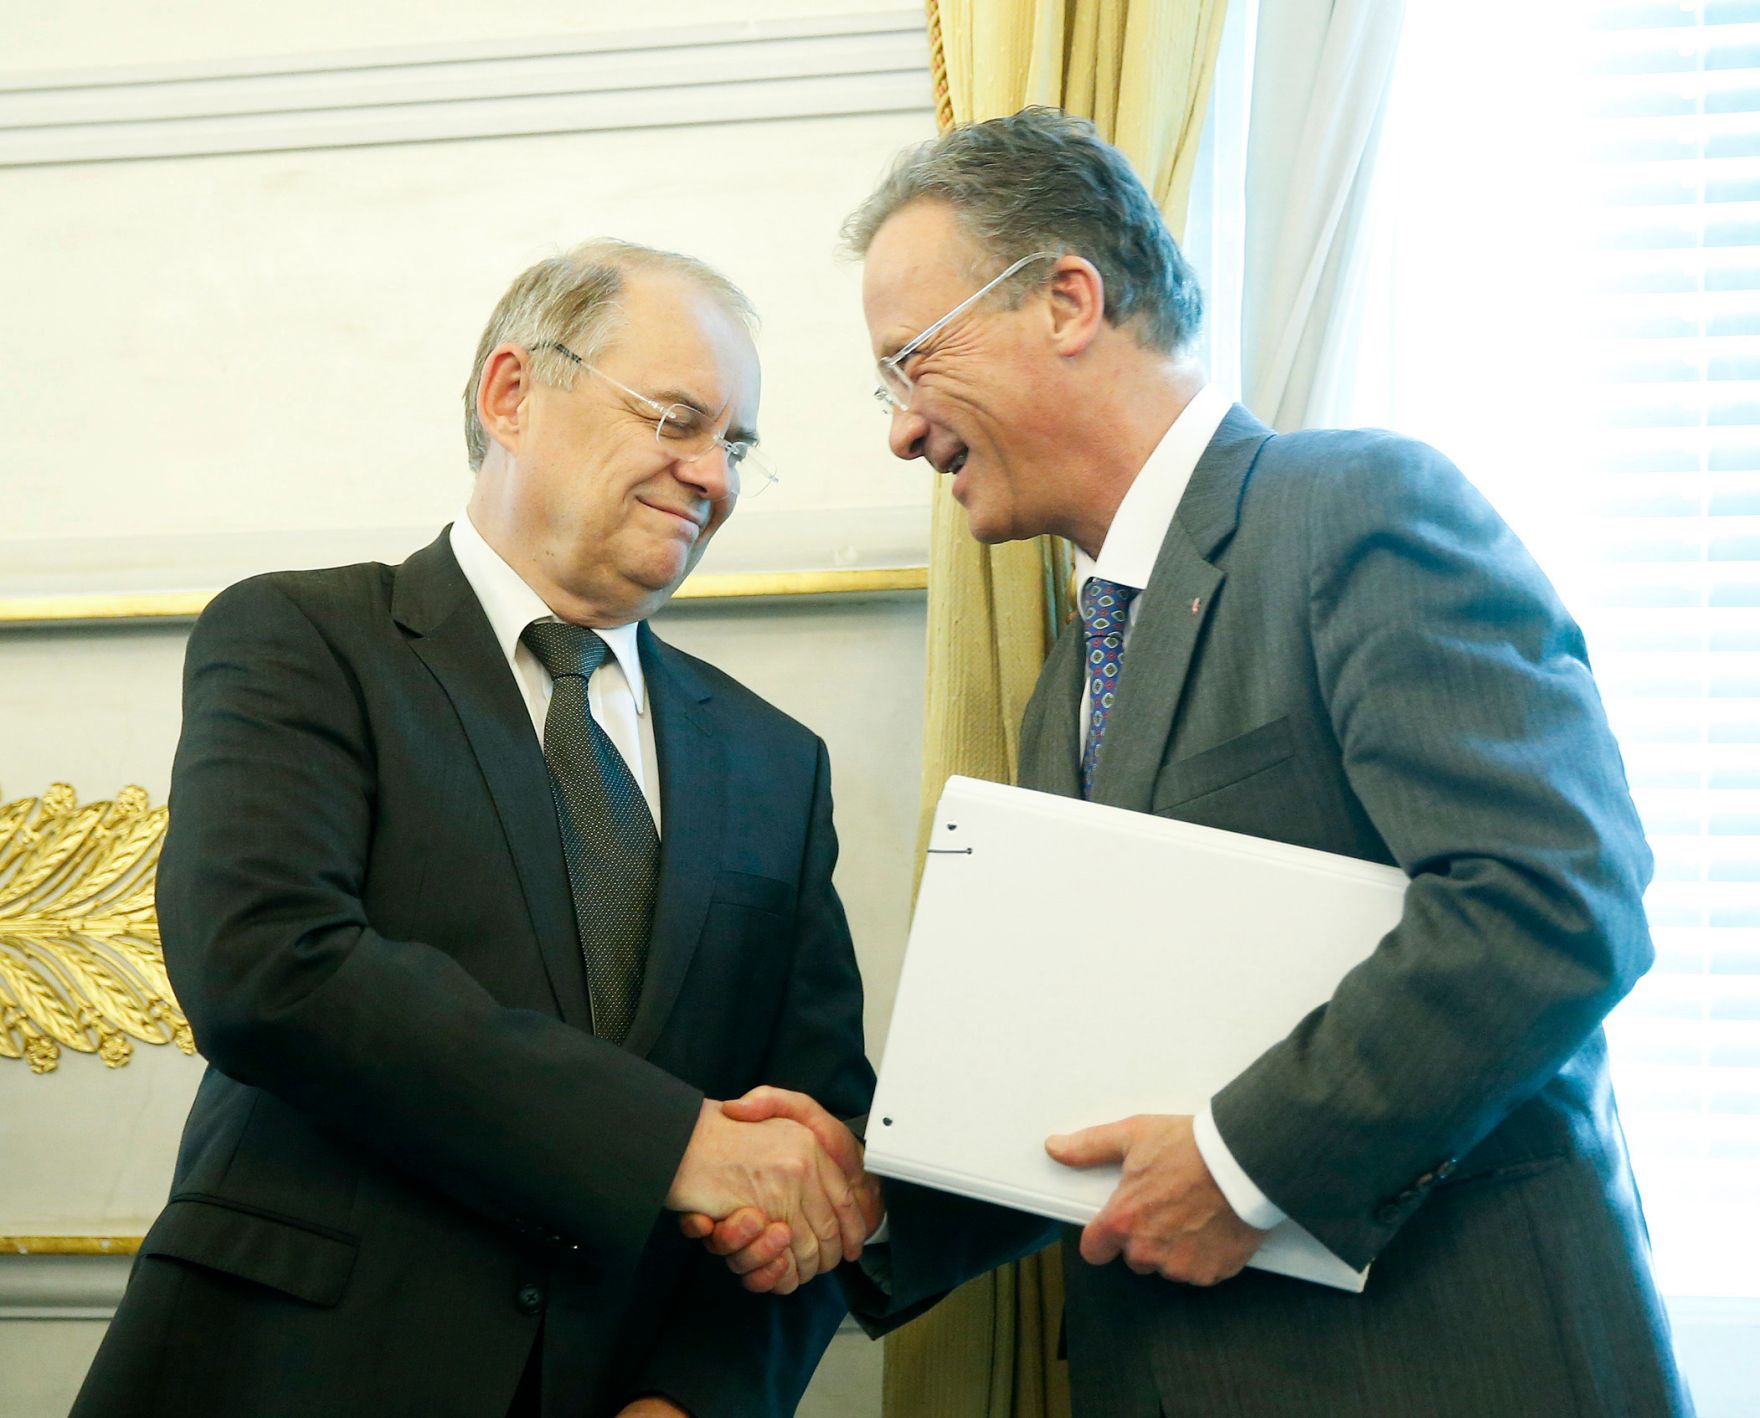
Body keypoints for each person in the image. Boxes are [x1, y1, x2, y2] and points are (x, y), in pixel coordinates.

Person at [687, 108, 1696, 1417]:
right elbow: (1074, 1090)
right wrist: (874, 1203)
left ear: (1065, 300)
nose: (901, 431)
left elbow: (1552, 899)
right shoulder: (1074, 679)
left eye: (914, 364)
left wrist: (1240, 1164)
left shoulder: (1357, 507)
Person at [73, 239, 879, 1418]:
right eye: (676, 418)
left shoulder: (775, 760)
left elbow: (814, 1145)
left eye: (737, 444)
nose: (713, 475)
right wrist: (672, 1146)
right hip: (289, 1373)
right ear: (512, 393)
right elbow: (265, 965)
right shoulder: (302, 638)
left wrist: (696, 1398)